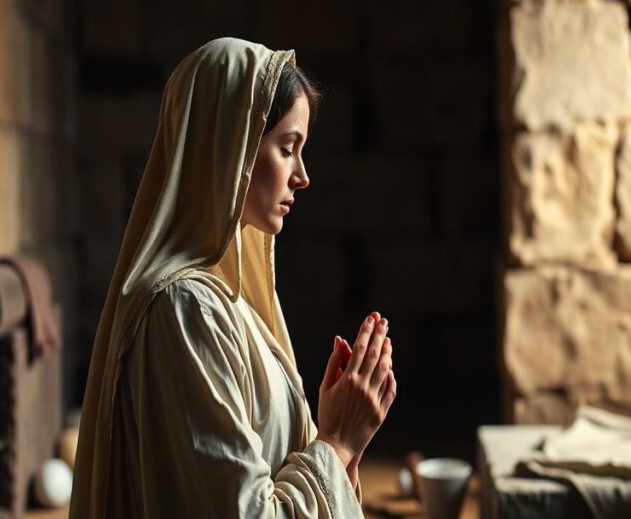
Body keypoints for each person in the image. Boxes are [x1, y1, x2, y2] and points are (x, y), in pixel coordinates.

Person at [70, 38, 397, 518]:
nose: (302, 175)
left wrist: (344, 441)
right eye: (288, 148)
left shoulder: (227, 302)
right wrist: (337, 443)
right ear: (231, 148)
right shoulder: (186, 309)